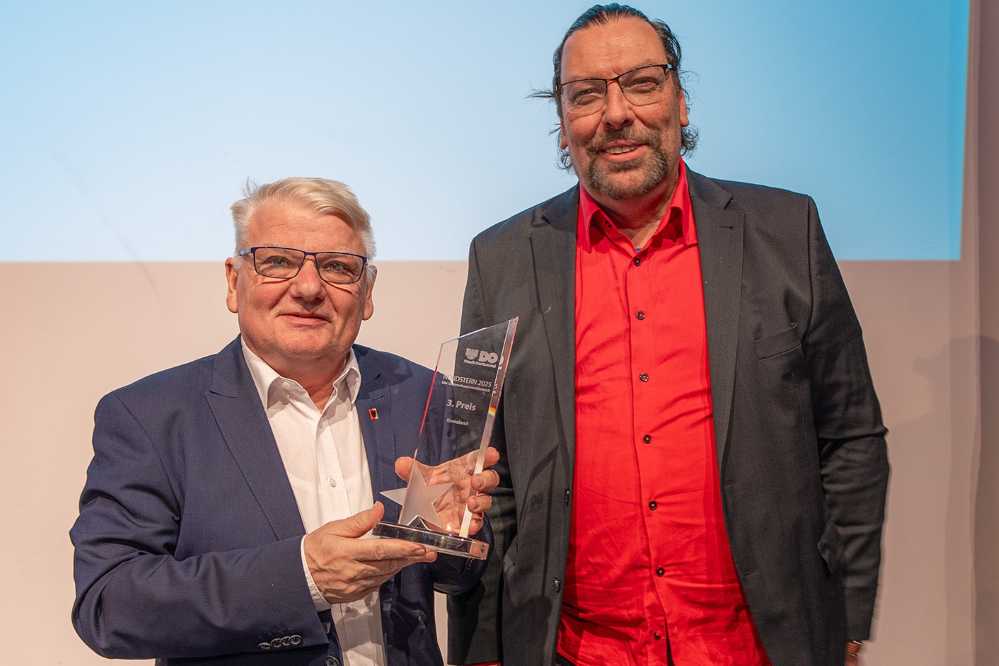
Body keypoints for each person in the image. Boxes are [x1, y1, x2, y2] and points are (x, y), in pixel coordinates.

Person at [447, 4, 888, 666]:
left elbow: (849, 437)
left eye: (642, 84)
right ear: (562, 124)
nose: (615, 113)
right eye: (585, 94)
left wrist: (846, 619)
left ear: (681, 102)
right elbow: (482, 468)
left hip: (756, 647)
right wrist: (483, 646)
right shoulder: (501, 258)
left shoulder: (785, 231)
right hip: (577, 650)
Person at [71, 177, 499, 666]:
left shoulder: (422, 393)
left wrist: (454, 535)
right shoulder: (150, 415)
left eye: (338, 267)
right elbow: (109, 605)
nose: (309, 288)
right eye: (277, 261)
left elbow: (455, 575)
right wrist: (303, 577)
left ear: (367, 292)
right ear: (233, 282)